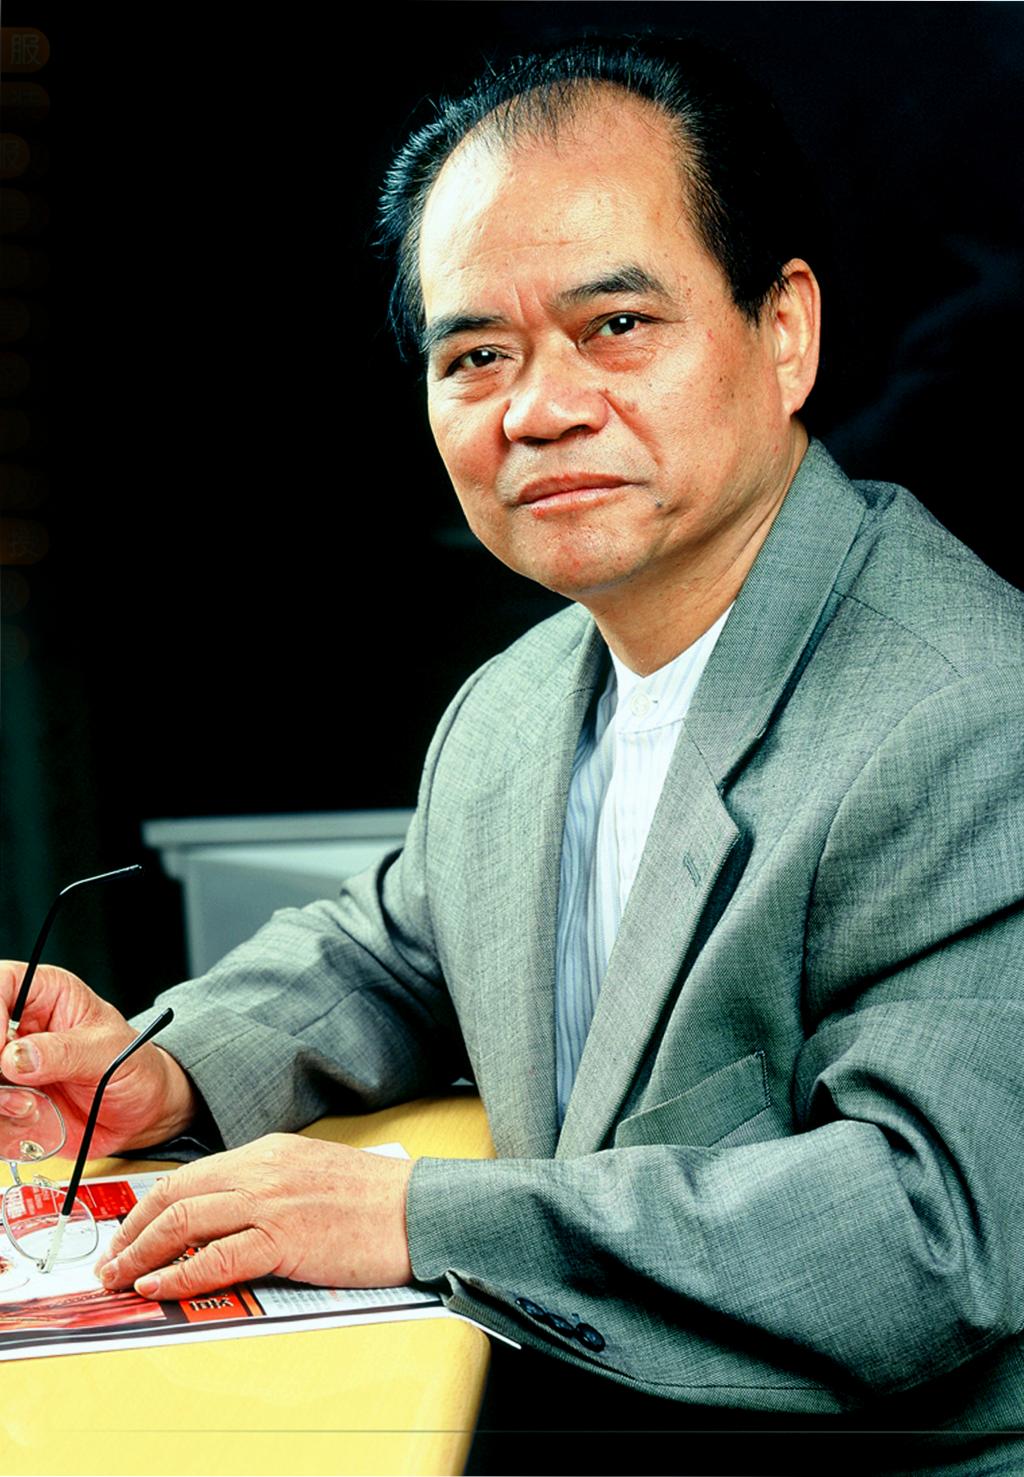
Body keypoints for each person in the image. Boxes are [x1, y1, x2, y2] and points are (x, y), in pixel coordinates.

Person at [2, 37, 1023, 1475]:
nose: (537, 409)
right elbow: (400, 952)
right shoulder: (524, 694)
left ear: (785, 331)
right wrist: (152, 1069)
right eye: (475, 354)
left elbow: (933, 1231)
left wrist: (415, 1214)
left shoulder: (970, 706)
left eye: (617, 325)